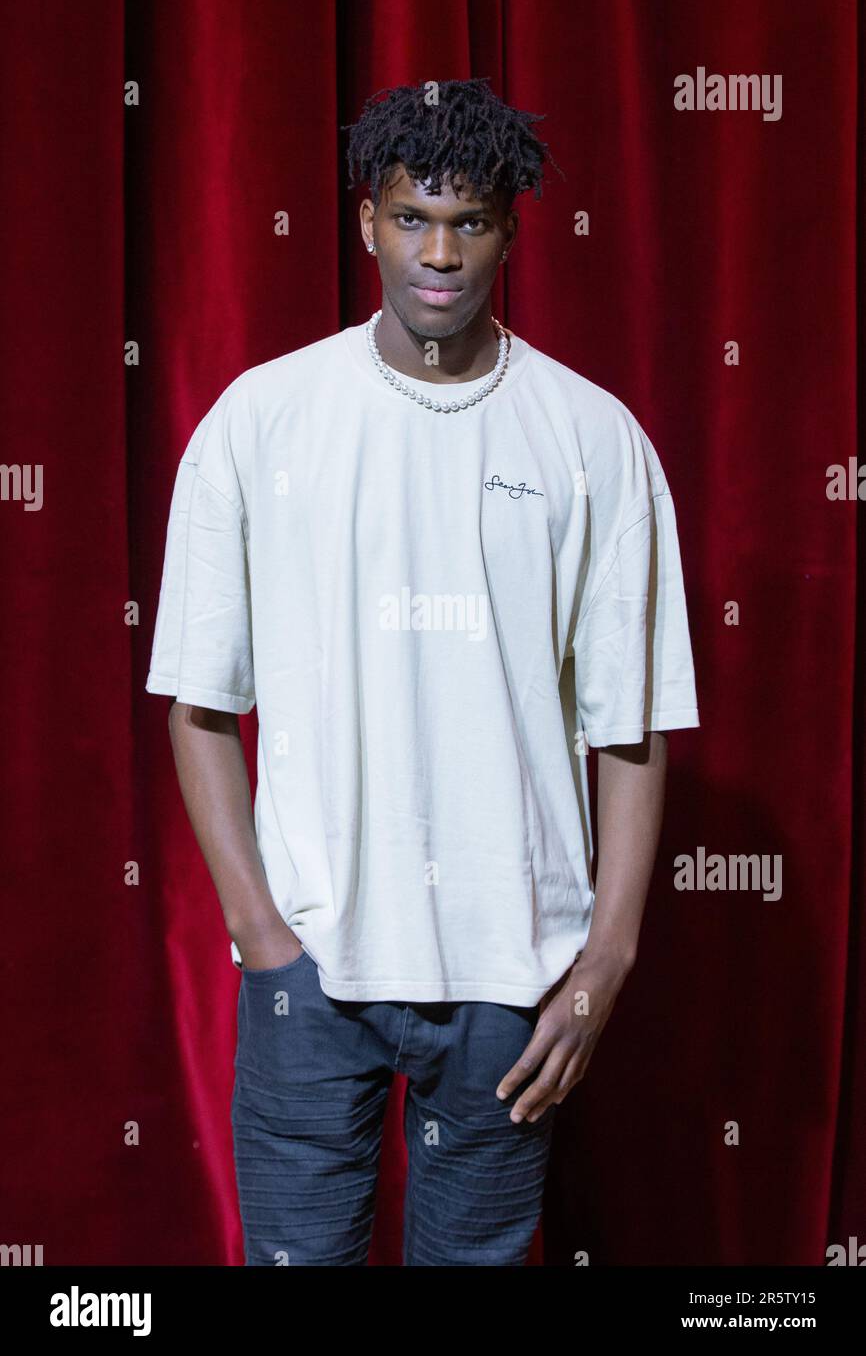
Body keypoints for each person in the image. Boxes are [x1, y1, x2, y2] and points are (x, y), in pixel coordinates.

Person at [145, 77, 700, 1266]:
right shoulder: (261, 421)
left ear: (509, 230)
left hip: (509, 977)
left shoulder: (590, 437)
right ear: (365, 223)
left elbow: (632, 724)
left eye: (471, 221)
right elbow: (200, 703)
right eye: (411, 217)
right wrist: (259, 934)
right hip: (311, 973)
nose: (438, 252)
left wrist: (602, 960)